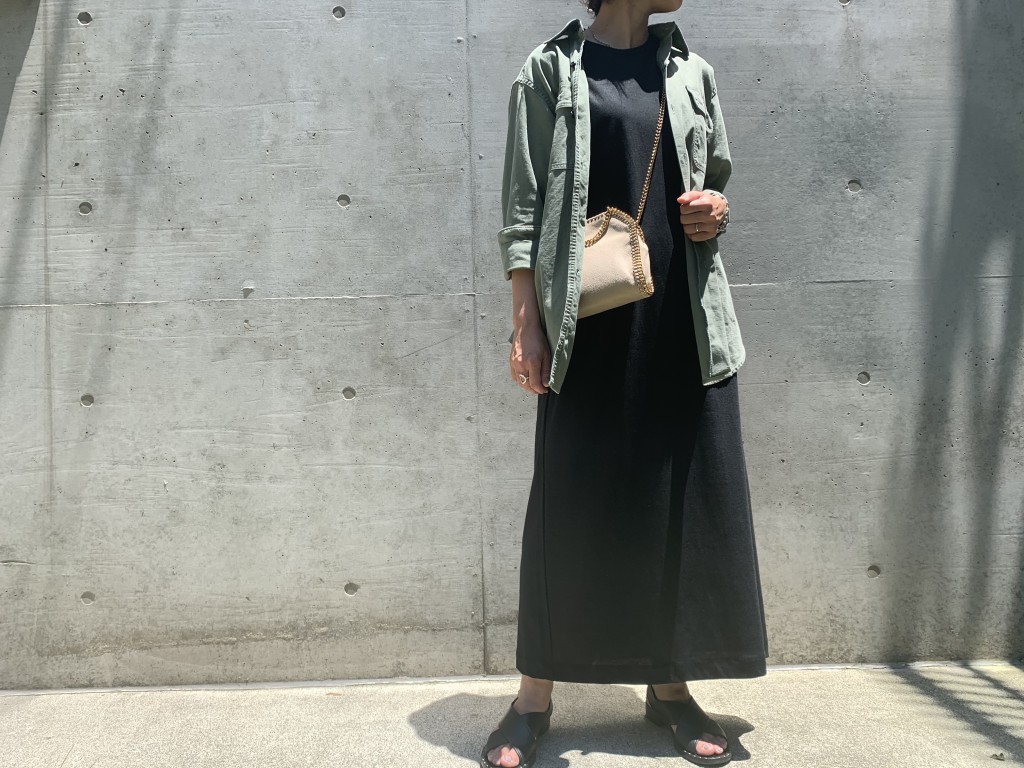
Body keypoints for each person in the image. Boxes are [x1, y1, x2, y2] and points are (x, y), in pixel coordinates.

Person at [482, 1, 769, 766]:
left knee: (676, 504)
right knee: (567, 505)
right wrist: (526, 325)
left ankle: (668, 687)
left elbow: (715, 183)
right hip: (588, 325)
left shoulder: (693, 72)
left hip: (682, 316)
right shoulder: (549, 72)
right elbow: (522, 210)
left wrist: (714, 211)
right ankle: (533, 697)